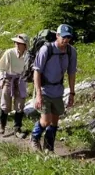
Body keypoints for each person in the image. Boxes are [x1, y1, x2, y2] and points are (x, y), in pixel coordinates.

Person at [31, 24, 77, 153]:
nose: (66, 40)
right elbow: (37, 72)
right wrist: (38, 94)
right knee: (46, 121)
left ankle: (49, 148)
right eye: (63, 37)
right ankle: (34, 138)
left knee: (55, 122)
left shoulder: (71, 51)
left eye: (68, 37)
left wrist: (72, 92)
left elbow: (71, 73)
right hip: (44, 89)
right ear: (57, 35)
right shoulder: (46, 49)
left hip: (58, 90)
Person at [0, 33, 29, 137]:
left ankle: (17, 129)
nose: (17, 44)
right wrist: (0, 79)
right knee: (5, 104)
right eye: (16, 42)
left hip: (21, 80)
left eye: (20, 43)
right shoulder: (9, 53)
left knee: (20, 105)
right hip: (8, 79)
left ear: (25, 45)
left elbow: (30, 69)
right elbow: (0, 67)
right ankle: (2, 124)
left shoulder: (28, 56)